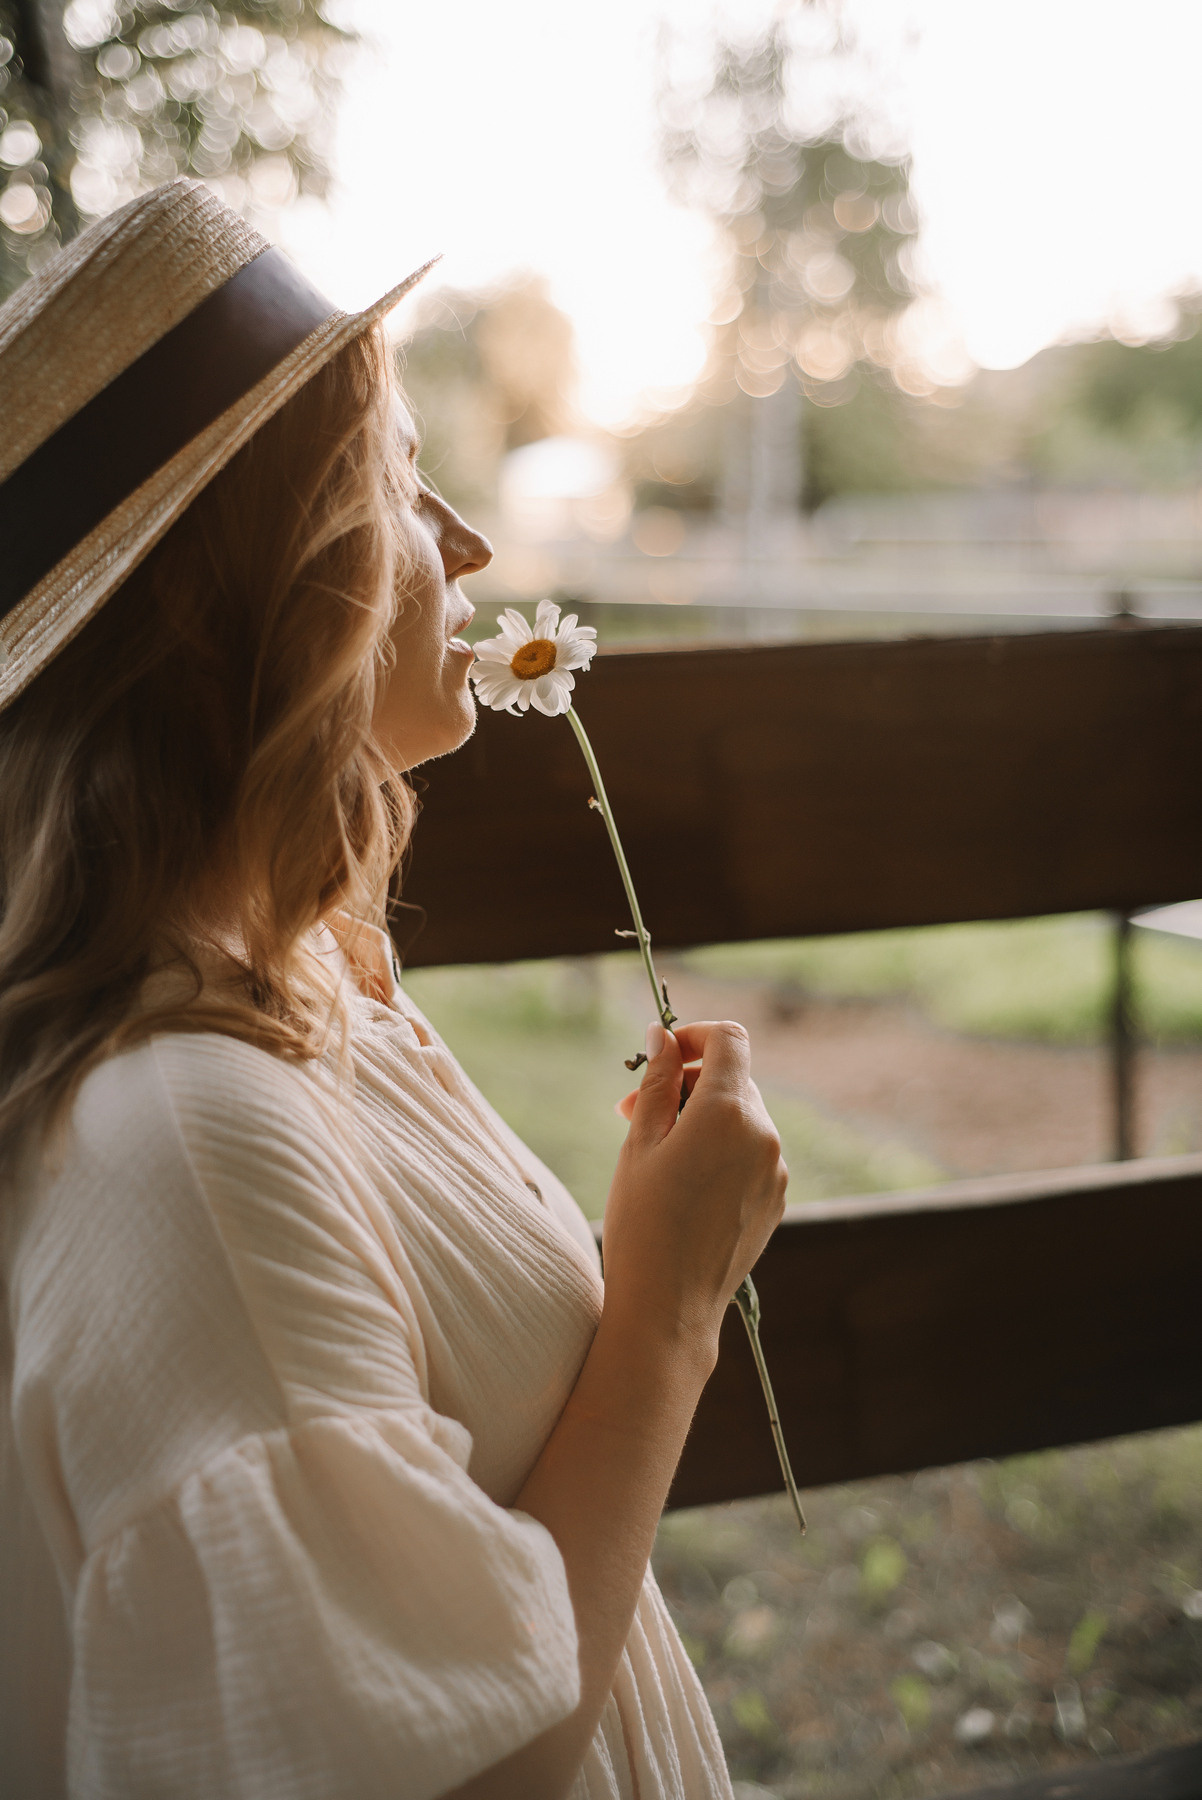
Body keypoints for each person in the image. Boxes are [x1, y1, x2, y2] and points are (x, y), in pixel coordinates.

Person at [0, 180, 787, 1800]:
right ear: (277, 591)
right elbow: (452, 1772)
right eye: (407, 485)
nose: (472, 548)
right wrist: (666, 1312)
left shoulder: (301, 986)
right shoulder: (192, 1147)